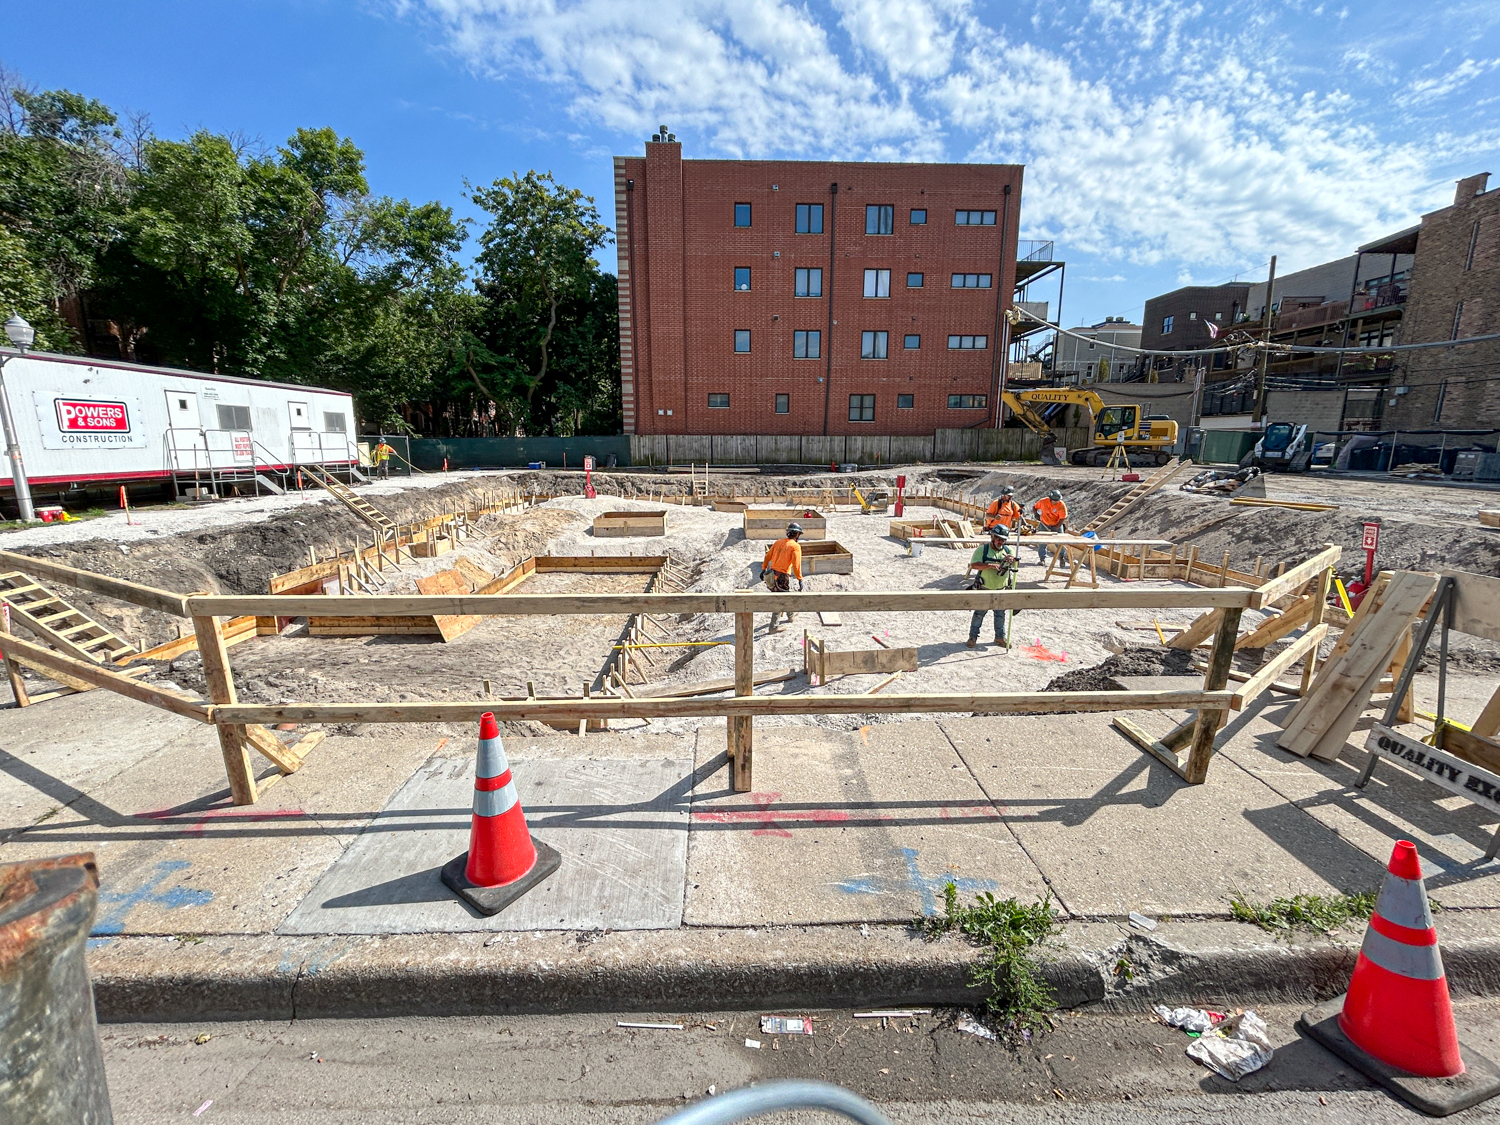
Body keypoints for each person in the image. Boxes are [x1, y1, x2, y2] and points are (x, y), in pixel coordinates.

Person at [967, 525, 1019, 648]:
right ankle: (972, 637)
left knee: (1000, 615)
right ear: (992, 537)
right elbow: (974, 565)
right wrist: (989, 565)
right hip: (984, 588)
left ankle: (1000, 638)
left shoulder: (1008, 551)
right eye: (998, 539)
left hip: (1001, 590)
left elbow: (1017, 565)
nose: (1001, 542)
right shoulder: (982, 550)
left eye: (1003, 540)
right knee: (979, 614)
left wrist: (1013, 560)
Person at [760, 522, 804, 632]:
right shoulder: (795, 546)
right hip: (782, 577)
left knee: (785, 595)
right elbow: (796, 564)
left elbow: (767, 556)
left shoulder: (778, 542)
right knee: (780, 601)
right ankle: (773, 627)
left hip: (771, 575)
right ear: (797, 534)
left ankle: (790, 615)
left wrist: (764, 568)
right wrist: (799, 578)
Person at [1031, 488, 1069, 564]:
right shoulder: (1043, 501)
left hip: (1057, 523)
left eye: (1058, 500)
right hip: (1044, 523)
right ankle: (1042, 559)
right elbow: (1034, 507)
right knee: (1042, 542)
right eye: (1055, 501)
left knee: (1059, 542)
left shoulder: (1061, 505)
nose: (1057, 502)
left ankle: (1061, 557)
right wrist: (1036, 514)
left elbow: (1062, 518)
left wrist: (1057, 527)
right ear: (1050, 499)